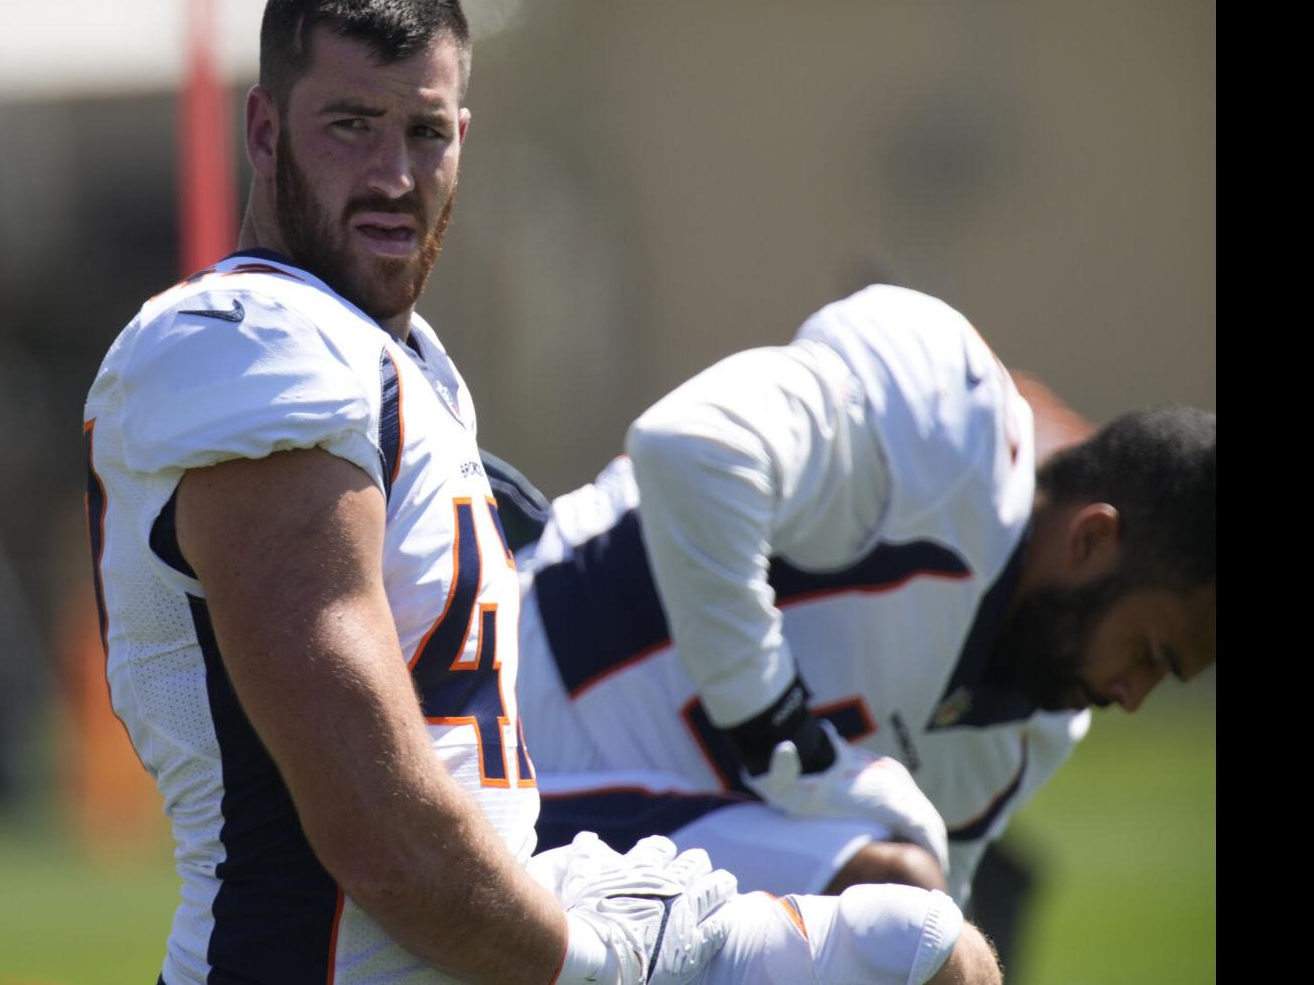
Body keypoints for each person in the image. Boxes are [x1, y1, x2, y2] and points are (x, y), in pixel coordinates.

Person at [83, 0, 1001, 985]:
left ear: (462, 139)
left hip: (492, 908)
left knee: (925, 948)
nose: (391, 175)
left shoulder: (398, 358)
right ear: (263, 129)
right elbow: (378, 828)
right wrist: (577, 963)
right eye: (349, 125)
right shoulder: (250, 341)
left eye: (423, 132)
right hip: (363, 957)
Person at [512, 284, 1216, 908]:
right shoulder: (946, 422)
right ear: (1091, 539)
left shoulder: (1033, 733)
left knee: (921, 930)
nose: (1131, 696)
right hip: (507, 727)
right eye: (1150, 652)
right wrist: (780, 732)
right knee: (904, 899)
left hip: (654, 857)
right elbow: (692, 448)